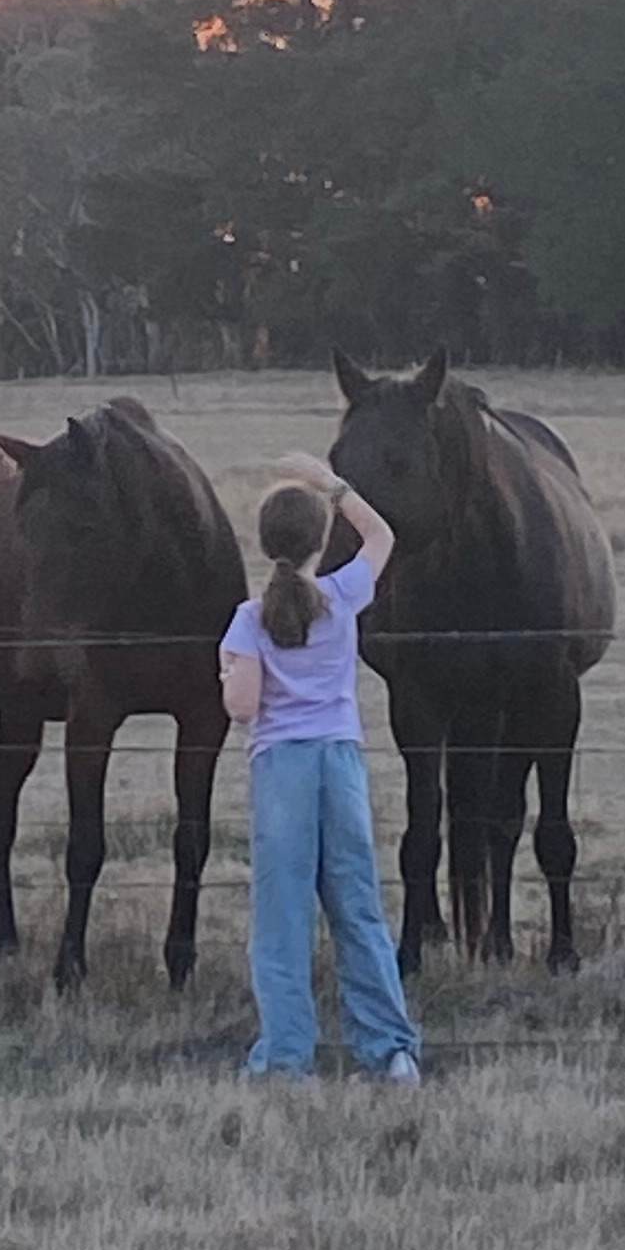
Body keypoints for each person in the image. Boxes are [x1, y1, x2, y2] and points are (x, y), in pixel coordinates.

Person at [221, 455, 422, 1085]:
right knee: (358, 908)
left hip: (282, 765)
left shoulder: (248, 620)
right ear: (320, 542)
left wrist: (228, 676)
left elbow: (243, 707)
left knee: (282, 918)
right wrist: (331, 484)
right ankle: (389, 1049)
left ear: (264, 543)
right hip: (340, 761)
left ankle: (287, 1058)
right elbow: (382, 536)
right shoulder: (342, 597)